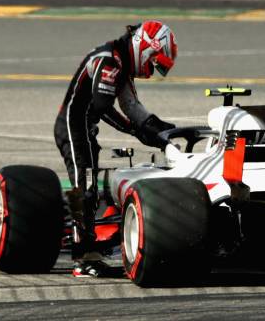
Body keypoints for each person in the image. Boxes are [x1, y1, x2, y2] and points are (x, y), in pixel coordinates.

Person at [54, 20, 178, 277]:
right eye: (154, 64)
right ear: (147, 48)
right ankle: (83, 256)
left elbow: (134, 110)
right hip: (73, 128)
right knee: (84, 189)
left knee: (90, 190)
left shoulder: (123, 64)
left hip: (86, 131)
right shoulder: (110, 61)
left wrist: (165, 133)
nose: (152, 72)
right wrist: (136, 131)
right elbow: (102, 107)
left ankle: (88, 244)